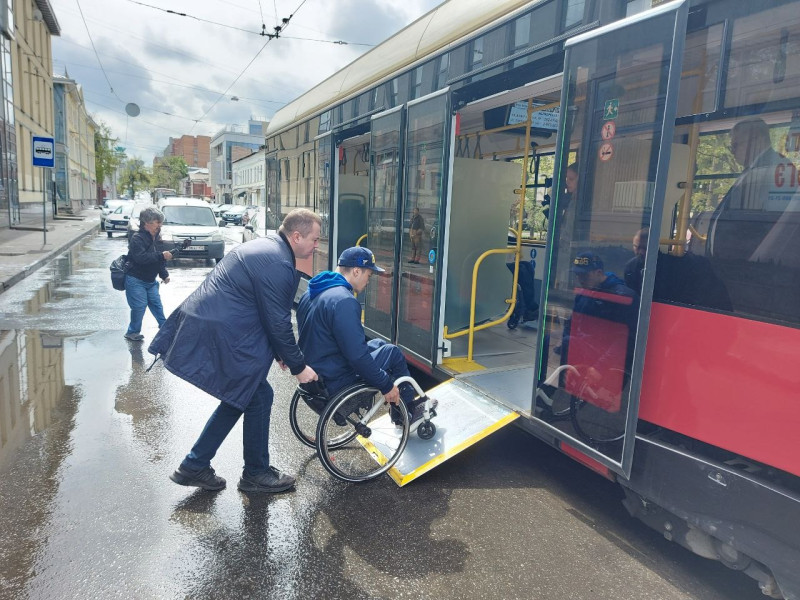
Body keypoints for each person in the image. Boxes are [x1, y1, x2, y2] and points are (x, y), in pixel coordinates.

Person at [151, 208, 321, 493]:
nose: (317, 245)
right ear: (296, 236)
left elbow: (266, 313)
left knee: (245, 396)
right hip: (217, 330)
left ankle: (195, 465)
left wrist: (281, 354)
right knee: (256, 395)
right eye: (315, 239)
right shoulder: (278, 262)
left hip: (212, 324)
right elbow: (278, 322)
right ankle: (253, 473)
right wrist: (298, 367)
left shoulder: (270, 250)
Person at [296, 246, 434, 429]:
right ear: (356, 271)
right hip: (335, 378)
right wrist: (386, 385)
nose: (369, 281)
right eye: (369, 275)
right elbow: (357, 356)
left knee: (377, 343)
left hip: (317, 372)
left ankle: (401, 409)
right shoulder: (344, 301)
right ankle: (406, 412)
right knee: (393, 353)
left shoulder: (312, 292)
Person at [709, 118, 791, 259]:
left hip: (748, 258)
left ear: (757, 139)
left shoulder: (775, 168)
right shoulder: (754, 169)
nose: (732, 152)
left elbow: (772, 222)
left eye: (735, 145)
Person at [124, 206, 173, 342]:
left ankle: (165, 328)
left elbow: (159, 260)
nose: (160, 225)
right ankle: (132, 332)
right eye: (157, 222)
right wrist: (161, 255)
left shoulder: (157, 237)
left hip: (150, 281)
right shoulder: (137, 239)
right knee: (139, 307)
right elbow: (141, 258)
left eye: (160, 222)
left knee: (157, 305)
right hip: (136, 279)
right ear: (147, 223)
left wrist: (164, 274)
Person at [624, 228, 648, 294]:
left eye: (644, 248)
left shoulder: (665, 266)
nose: (640, 252)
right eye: (636, 247)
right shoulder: (630, 266)